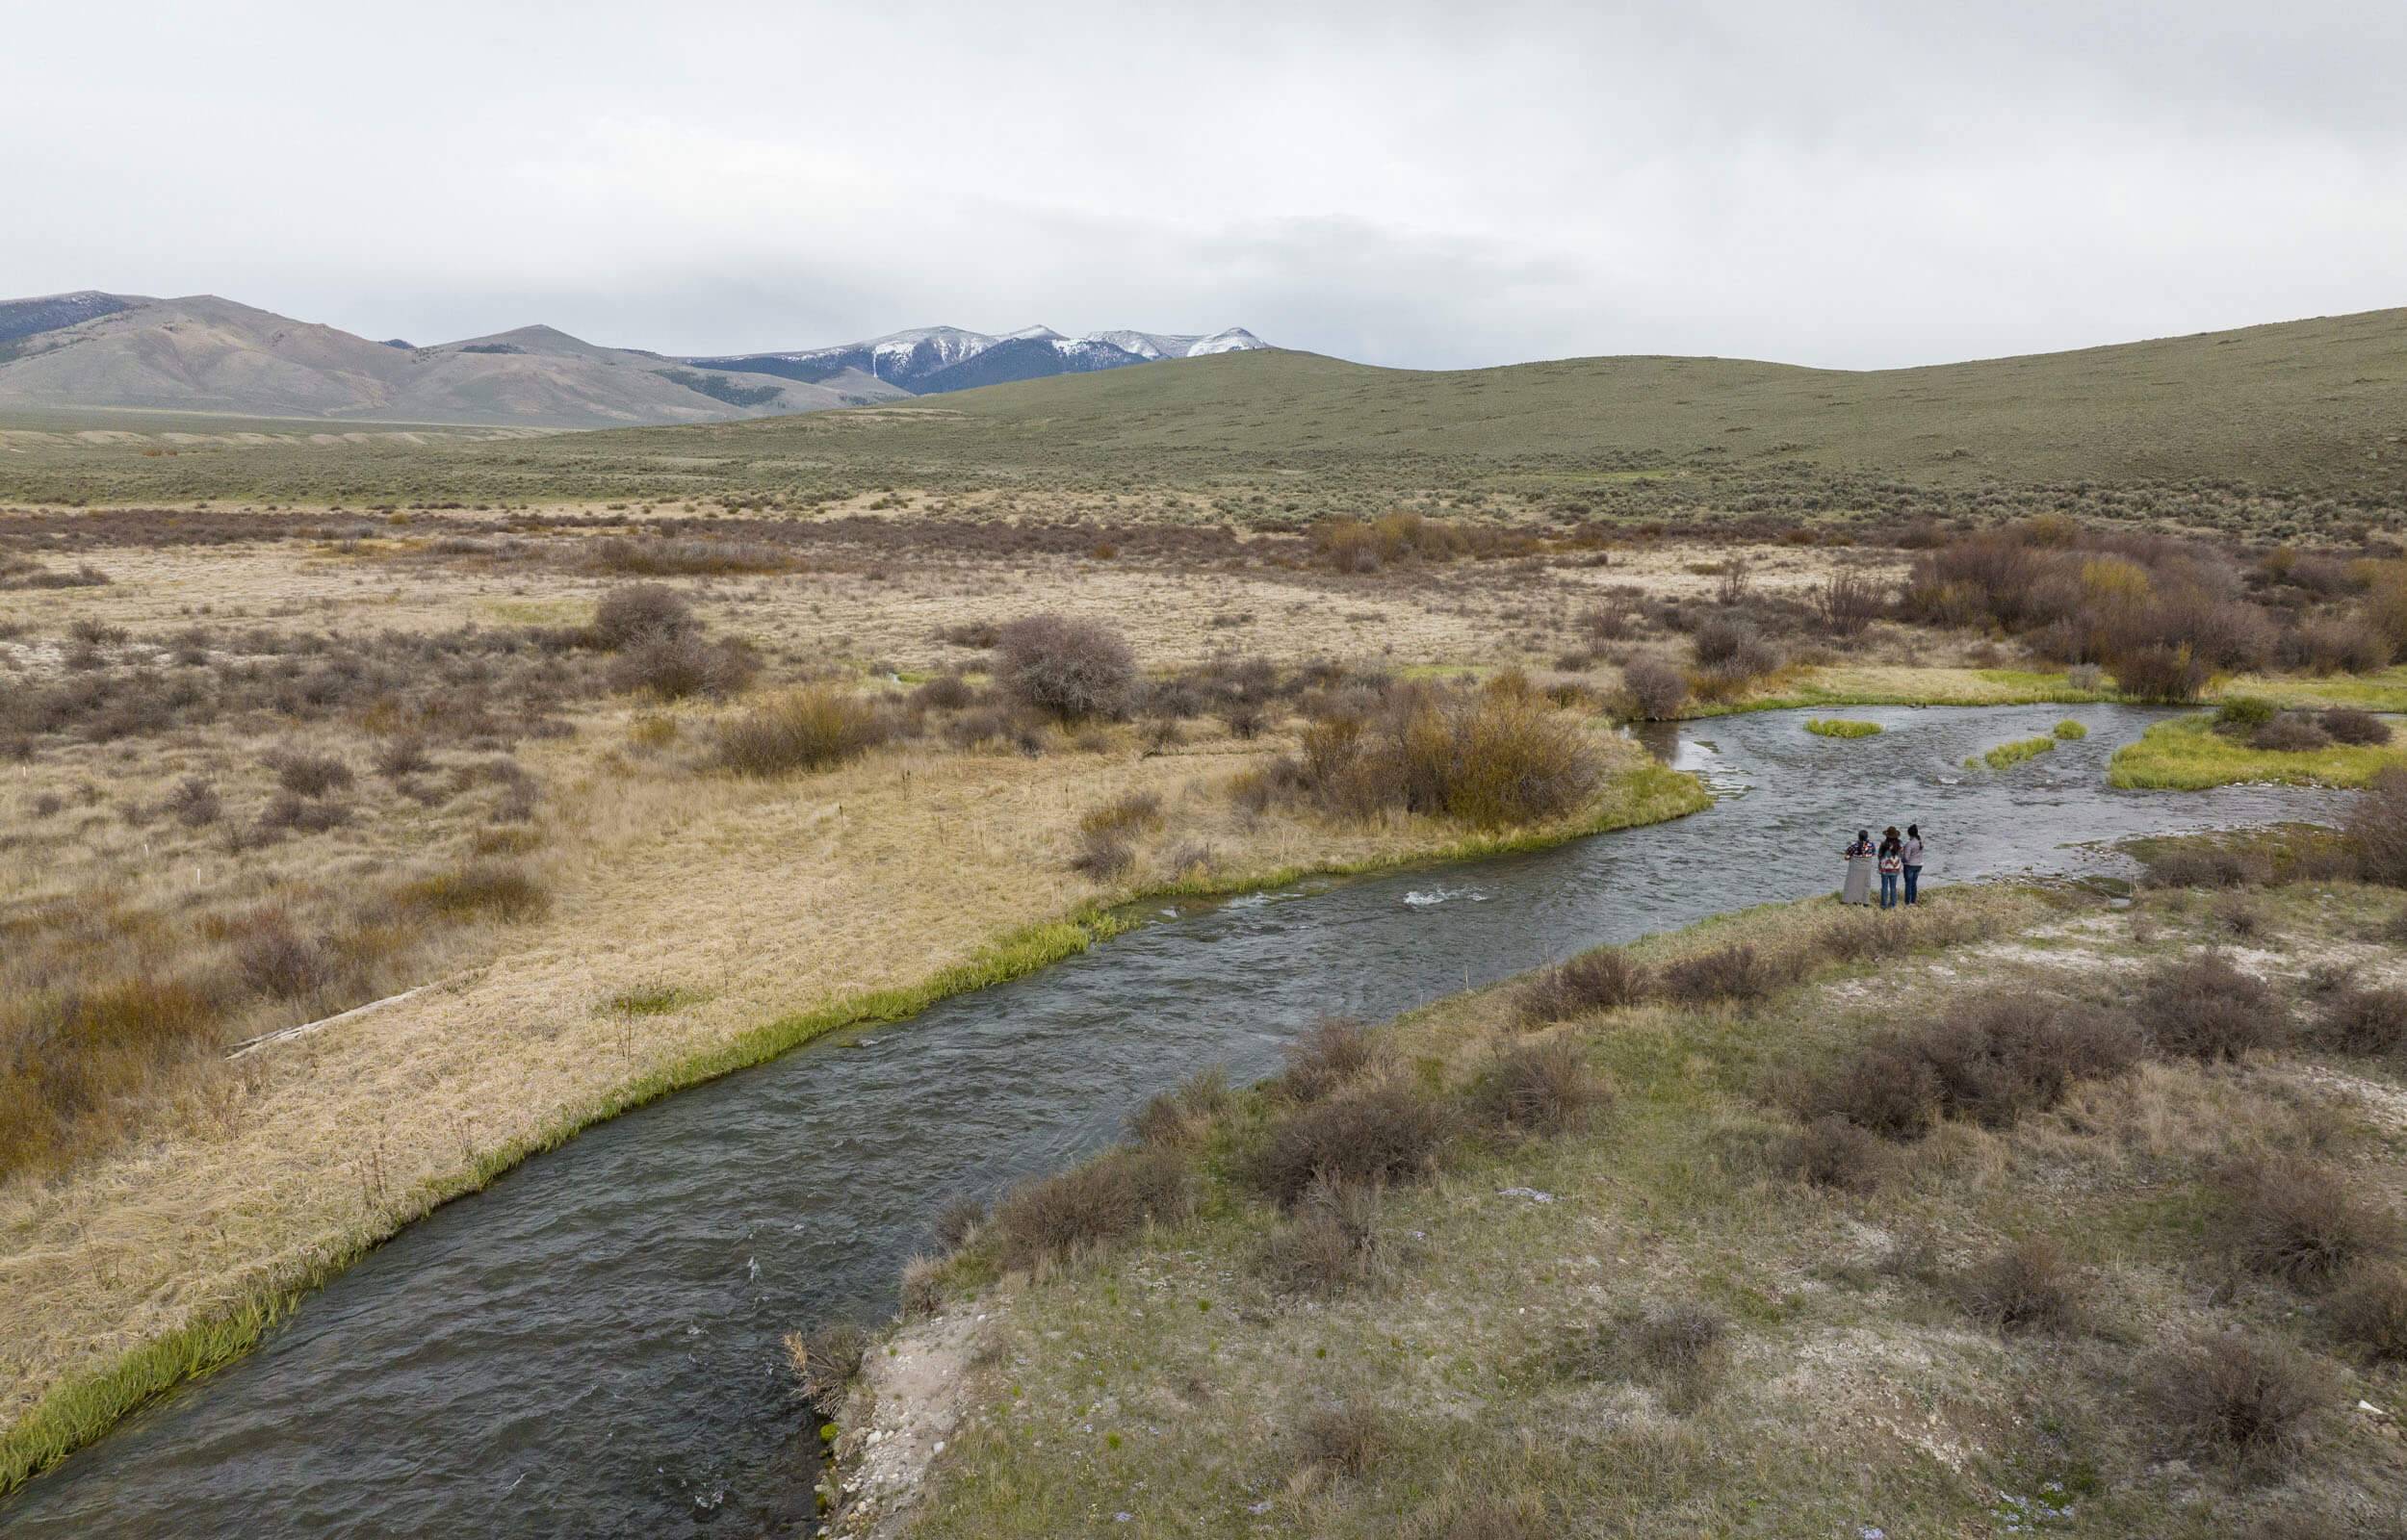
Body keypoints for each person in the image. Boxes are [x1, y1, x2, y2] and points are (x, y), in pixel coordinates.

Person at [1841, 829, 1875, 905]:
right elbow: (1873, 853)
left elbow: (1847, 855)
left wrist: (1847, 857)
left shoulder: (1854, 845)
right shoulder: (1871, 845)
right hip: (1866, 867)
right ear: (1867, 837)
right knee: (1865, 884)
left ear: (1859, 837)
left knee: (1851, 883)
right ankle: (1865, 901)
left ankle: (1847, 900)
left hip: (1855, 867)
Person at [1877, 827, 1903, 910]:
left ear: (1887, 835)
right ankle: (1893, 905)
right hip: (1895, 868)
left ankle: (1884, 905)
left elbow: (1879, 857)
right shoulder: (1900, 844)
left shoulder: (1884, 844)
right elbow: (1901, 856)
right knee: (1893, 887)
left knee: (1884, 887)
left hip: (1885, 869)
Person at [1902, 823, 1926, 905]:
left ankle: (1907, 902)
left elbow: (1906, 858)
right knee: (1914, 883)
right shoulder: (1920, 842)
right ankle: (1913, 901)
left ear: (1909, 833)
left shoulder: (1909, 844)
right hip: (1919, 865)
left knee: (1908, 884)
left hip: (1910, 866)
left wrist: (1901, 857)